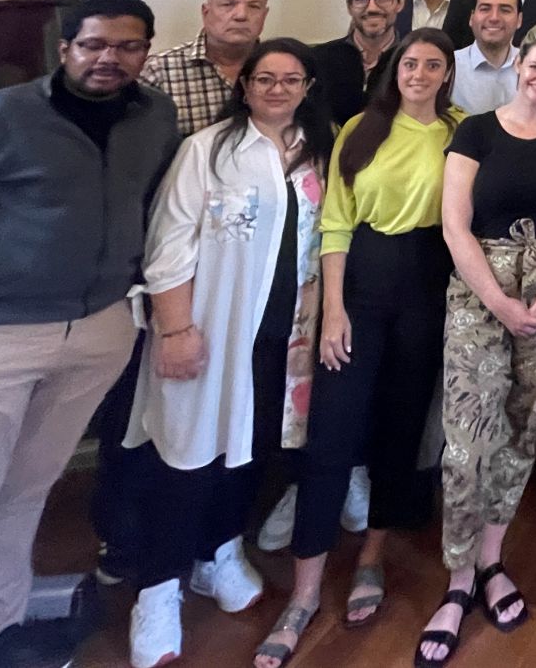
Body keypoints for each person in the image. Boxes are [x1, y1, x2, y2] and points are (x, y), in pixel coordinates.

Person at [0, 0, 180, 666]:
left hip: (100, 330)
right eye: (94, 45)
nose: (109, 59)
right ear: (66, 48)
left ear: (145, 52)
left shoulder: (154, 117)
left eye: (127, 46)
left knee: (27, 490)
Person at [122, 40, 332, 668]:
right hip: (210, 331)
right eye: (264, 78)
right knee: (187, 455)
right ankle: (158, 590)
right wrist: (176, 329)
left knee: (252, 448)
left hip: (285, 338)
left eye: (290, 79)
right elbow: (168, 245)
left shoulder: (319, 153)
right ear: (244, 87)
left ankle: (218, 550)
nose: (277, 89)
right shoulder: (206, 150)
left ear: (308, 87)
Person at [256, 29, 459, 667]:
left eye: (433, 64)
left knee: (400, 428)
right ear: (394, 69)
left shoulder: (460, 131)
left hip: (427, 285)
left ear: (447, 74)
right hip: (362, 283)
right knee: (332, 433)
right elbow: (336, 221)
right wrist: (335, 310)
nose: (419, 73)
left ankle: (372, 556)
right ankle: (305, 592)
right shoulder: (359, 129)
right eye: (410, 63)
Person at [416, 23, 536, 661]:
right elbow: (454, 223)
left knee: (522, 425)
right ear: (519, 66)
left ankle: (492, 559)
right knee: (467, 441)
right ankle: (458, 576)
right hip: (481, 291)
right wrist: (498, 300)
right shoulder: (477, 131)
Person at [143, 0, 272, 135]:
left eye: (254, 6)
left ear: (264, 15)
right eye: (228, 4)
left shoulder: (285, 71)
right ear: (206, 12)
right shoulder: (159, 70)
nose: (241, 15)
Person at [312, 0, 404, 127]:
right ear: (349, 6)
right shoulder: (317, 59)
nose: (372, 8)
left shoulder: (414, 62)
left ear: (400, 3)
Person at [450, 0, 521, 116]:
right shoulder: (450, 66)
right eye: (485, 9)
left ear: (519, 20)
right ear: (471, 18)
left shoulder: (534, 68)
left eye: (505, 10)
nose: (494, 18)